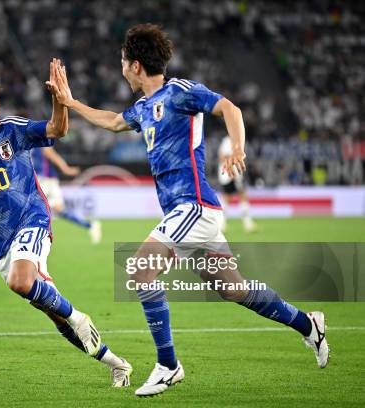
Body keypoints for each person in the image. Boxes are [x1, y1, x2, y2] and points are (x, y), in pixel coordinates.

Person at [51, 24, 328, 396]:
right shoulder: (144, 108)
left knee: (140, 268)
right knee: (234, 289)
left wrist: (239, 149)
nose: (120, 69)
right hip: (189, 215)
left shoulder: (180, 92)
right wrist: (70, 103)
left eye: (121, 63)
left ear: (134, 65)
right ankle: (309, 325)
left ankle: (168, 365)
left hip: (193, 208)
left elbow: (230, 108)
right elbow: (114, 121)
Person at [0, 59, 132, 387]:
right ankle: (116, 363)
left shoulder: (11, 130)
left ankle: (77, 316)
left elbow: (57, 130)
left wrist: (58, 99)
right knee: (52, 311)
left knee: (21, 283)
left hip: (31, 220)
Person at [31, 146, 101, 243]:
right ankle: (90, 226)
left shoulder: (36, 139)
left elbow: (50, 153)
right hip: (44, 180)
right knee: (58, 209)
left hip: (45, 181)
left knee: (33, 209)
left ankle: (34, 239)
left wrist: (66, 169)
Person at [217, 135, 256, 232]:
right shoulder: (228, 140)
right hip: (229, 173)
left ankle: (245, 223)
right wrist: (232, 169)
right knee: (234, 196)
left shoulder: (234, 140)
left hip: (233, 173)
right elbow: (222, 156)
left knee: (235, 196)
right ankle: (246, 223)